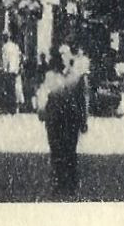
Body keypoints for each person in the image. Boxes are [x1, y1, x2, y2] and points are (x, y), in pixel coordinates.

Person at [39, 44, 90, 196]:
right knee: (56, 152)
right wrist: (41, 110)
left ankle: (71, 185)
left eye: (65, 55)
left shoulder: (77, 77)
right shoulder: (50, 76)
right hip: (54, 120)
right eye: (59, 55)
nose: (62, 58)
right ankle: (58, 183)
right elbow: (43, 94)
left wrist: (84, 119)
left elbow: (83, 99)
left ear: (70, 58)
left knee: (70, 151)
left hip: (71, 120)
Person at [0, 33, 23, 115]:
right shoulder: (16, 47)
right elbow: (19, 58)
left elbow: (5, 59)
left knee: (7, 89)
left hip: (8, 71)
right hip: (14, 70)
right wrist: (17, 68)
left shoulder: (5, 47)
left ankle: (8, 108)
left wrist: (4, 69)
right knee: (12, 89)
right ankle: (13, 108)